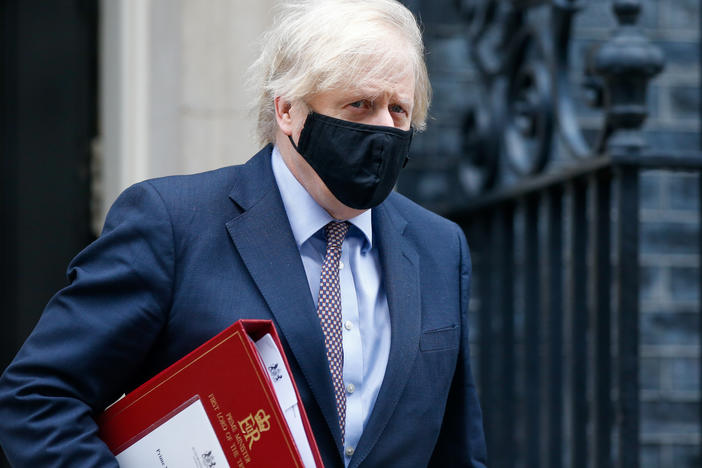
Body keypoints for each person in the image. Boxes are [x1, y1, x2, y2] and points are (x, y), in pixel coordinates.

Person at [0, 0, 487, 466]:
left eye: (398, 111)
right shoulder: (172, 223)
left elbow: (456, 451)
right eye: (358, 104)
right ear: (288, 110)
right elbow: (39, 397)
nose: (383, 128)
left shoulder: (439, 247)